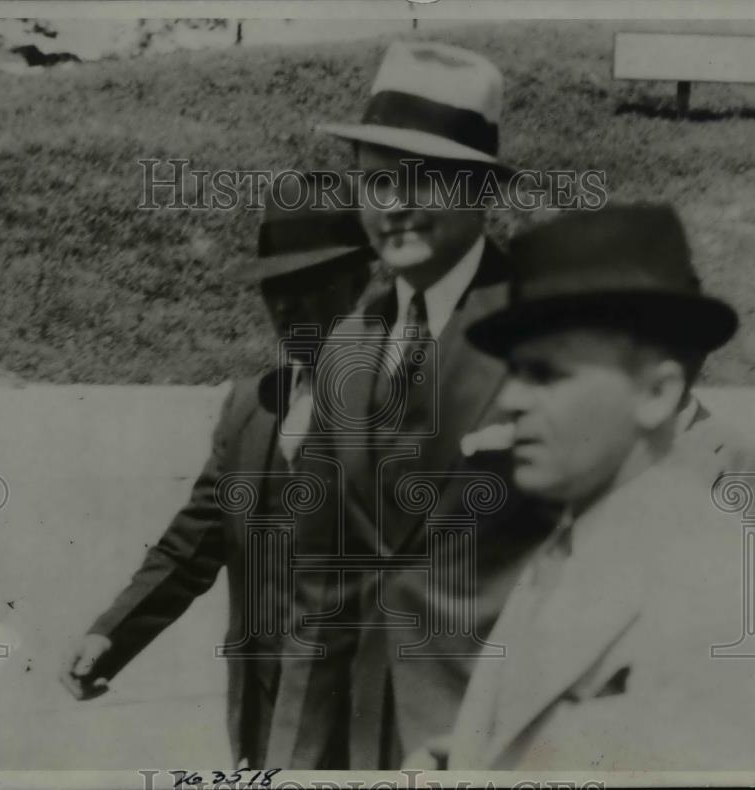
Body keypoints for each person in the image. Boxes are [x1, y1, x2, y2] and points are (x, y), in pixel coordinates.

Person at [266, 40, 555, 770]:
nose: (394, 207)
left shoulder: (549, 334)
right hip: (367, 747)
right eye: (375, 183)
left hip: (506, 745)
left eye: (424, 182)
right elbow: (321, 589)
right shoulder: (345, 347)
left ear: (481, 193)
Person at [441, 204, 755, 770]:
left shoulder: (727, 581)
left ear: (656, 395)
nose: (510, 399)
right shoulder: (565, 543)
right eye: (511, 371)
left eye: (546, 373)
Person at [58, 172, 372, 768]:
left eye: (307, 284)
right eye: (272, 288)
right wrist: (111, 634)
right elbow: (192, 543)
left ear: (357, 282)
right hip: (261, 714)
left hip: (359, 720)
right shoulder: (250, 405)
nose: (285, 305)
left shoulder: (404, 401)